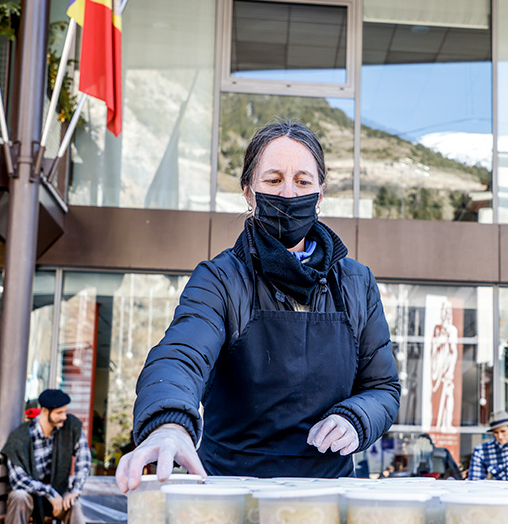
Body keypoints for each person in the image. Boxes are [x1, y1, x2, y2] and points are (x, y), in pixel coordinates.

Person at [116, 121, 400, 491]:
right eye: (273, 180)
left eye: (302, 181)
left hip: (328, 496)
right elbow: (181, 355)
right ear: (249, 193)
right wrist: (169, 425)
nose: (288, 193)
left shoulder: (356, 283)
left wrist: (357, 417)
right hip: (231, 494)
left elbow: (383, 386)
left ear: (320, 193)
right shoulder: (220, 278)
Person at [1, 388, 90, 524]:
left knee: (73, 504)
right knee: (19, 496)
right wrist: (50, 493)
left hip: (59, 496)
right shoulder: (20, 437)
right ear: (44, 411)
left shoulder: (71, 426)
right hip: (30, 497)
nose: (64, 417)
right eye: (59, 413)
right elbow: (18, 481)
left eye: (65, 412)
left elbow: (84, 459)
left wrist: (75, 491)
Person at [467, 410, 508, 481]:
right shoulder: (481, 451)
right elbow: (475, 480)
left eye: (503, 431)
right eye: (496, 432)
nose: (500, 436)